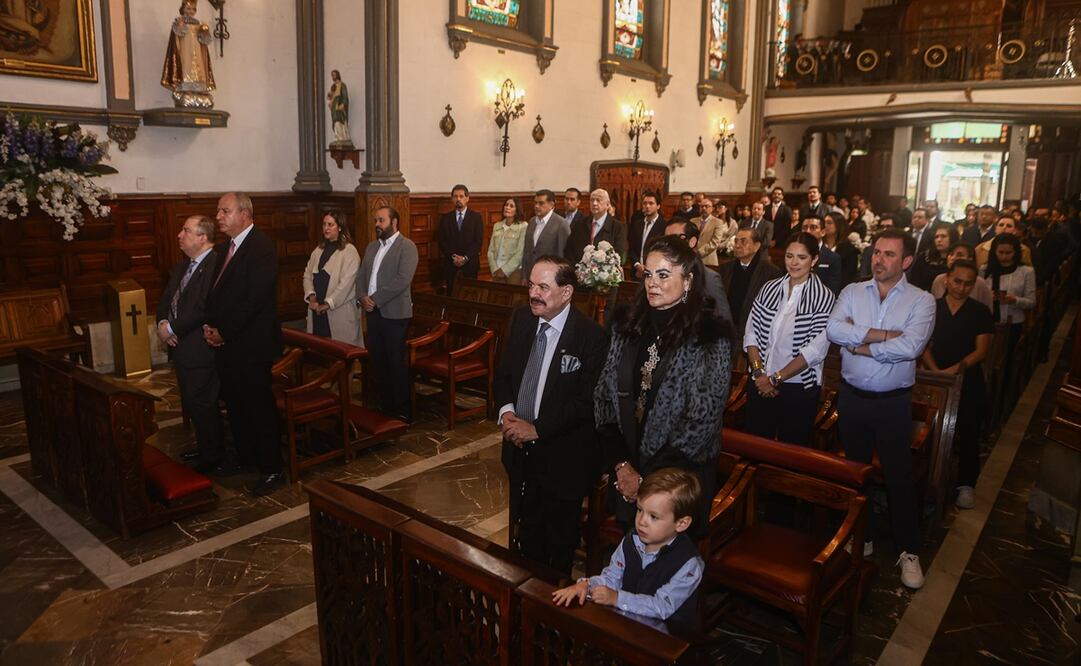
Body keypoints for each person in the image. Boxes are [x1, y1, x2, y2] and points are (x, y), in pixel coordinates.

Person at [594, 237, 732, 532]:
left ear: (689, 280)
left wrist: (647, 477)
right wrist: (622, 466)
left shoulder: (709, 336)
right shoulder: (627, 326)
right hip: (626, 471)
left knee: (668, 570)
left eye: (664, 275)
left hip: (679, 481)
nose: (652, 283)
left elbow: (701, 421)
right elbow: (605, 399)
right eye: (648, 274)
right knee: (628, 561)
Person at [827, 228, 936, 590]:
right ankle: (863, 538)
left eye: (889, 254)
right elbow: (833, 330)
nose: (879, 259)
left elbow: (912, 347)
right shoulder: (853, 291)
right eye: (876, 252)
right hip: (853, 398)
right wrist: (884, 335)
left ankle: (909, 551)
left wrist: (860, 342)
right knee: (854, 474)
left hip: (892, 403)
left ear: (906, 261)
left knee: (898, 477)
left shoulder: (921, 300)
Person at [495, 255, 608, 574]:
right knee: (524, 541)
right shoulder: (521, 320)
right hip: (519, 453)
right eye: (531, 285)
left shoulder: (591, 337)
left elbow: (587, 403)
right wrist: (506, 413)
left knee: (558, 547)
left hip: (563, 459)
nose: (534, 293)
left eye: (544, 287)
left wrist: (537, 429)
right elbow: (503, 374)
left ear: (567, 292)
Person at [551, 467, 704, 629]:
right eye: (639, 510)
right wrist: (587, 585)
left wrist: (617, 598)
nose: (642, 521)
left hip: (668, 639)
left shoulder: (688, 564)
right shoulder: (632, 541)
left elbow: (661, 607)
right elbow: (612, 577)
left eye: (653, 516)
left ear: (682, 523)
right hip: (628, 624)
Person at [203, 193, 283, 496]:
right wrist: (211, 326)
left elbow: (255, 300)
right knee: (235, 404)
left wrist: (225, 330)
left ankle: (272, 468)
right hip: (228, 343)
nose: (219, 216)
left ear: (245, 214)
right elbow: (218, 294)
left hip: (252, 344)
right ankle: (246, 457)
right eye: (218, 211)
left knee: (258, 406)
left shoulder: (261, 247)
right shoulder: (227, 248)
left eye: (225, 211)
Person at [744, 232, 835, 447]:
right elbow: (751, 332)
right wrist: (759, 373)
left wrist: (775, 379)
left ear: (814, 260)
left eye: (802, 257)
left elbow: (814, 351)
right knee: (754, 447)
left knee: (790, 451)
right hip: (759, 380)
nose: (794, 263)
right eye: (789, 256)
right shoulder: (770, 288)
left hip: (797, 387)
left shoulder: (824, 297)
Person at [921, 259, 993, 510]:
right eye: (957, 281)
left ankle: (966, 484)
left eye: (968, 284)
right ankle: (926, 480)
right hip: (934, 377)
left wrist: (953, 371)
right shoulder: (931, 307)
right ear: (946, 280)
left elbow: (981, 350)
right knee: (928, 431)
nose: (961, 288)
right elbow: (922, 343)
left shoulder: (980, 312)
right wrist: (936, 372)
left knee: (968, 431)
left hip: (967, 378)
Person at [158, 215, 222, 473]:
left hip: (199, 347)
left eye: (186, 230)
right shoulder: (184, 266)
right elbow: (167, 299)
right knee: (191, 400)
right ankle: (204, 446)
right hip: (180, 346)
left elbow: (203, 307)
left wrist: (173, 328)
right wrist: (163, 323)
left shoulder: (215, 265)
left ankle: (214, 455)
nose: (179, 235)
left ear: (202, 237)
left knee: (203, 402)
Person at [356, 206, 418, 422]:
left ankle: (402, 409)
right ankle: (386, 405)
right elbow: (362, 275)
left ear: (394, 223)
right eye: (375, 221)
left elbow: (402, 280)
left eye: (381, 221)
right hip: (373, 313)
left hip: (395, 315)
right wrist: (362, 296)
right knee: (379, 361)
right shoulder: (372, 247)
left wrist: (375, 299)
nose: (377, 225)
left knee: (395, 363)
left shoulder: (407, 247)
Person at [302, 211, 361, 346]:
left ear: (340, 227)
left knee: (342, 353)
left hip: (339, 312)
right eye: (324, 224)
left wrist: (327, 304)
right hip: (317, 310)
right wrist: (312, 298)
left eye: (330, 224)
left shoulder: (349, 251)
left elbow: (346, 285)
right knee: (320, 351)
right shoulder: (318, 250)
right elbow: (307, 275)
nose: (326, 228)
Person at [663, 220, 733, 327]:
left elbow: (725, 321)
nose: (668, 245)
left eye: (675, 239)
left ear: (692, 242)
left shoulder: (709, 277)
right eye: (666, 240)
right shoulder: (663, 274)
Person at [719, 228, 783, 339]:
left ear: (757, 246)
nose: (737, 245)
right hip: (725, 330)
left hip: (754, 334)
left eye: (743, 241)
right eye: (736, 241)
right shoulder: (725, 268)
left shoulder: (771, 273)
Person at [983, 233, 1036, 352]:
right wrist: (987, 297)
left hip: (1013, 322)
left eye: (1008, 253)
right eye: (1000, 252)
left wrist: (1015, 300)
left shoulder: (1026, 272)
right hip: (988, 320)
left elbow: (1032, 301)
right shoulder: (985, 270)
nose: (1004, 257)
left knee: (1007, 356)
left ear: (1016, 252)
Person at [161, 0, 215, 108]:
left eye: (193, 9)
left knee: (199, 69)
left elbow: (204, 42)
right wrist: (180, 26)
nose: (191, 11)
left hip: (197, 53)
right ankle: (185, 89)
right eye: (188, 9)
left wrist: (204, 32)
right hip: (185, 52)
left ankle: (199, 89)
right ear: (183, 9)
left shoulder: (199, 25)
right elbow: (176, 38)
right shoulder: (179, 22)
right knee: (186, 68)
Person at [436, 184, 483, 295]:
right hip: (451, 265)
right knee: (452, 296)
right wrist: (454, 257)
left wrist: (465, 258)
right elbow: (442, 242)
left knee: (470, 296)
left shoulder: (476, 217)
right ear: (452, 199)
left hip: (470, 265)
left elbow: (478, 242)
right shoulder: (446, 218)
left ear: (467, 198)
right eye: (455, 196)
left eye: (461, 196)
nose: (458, 199)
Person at [565, 188, 627, 264]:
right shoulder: (580, 224)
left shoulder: (617, 227)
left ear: (607, 205)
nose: (594, 203)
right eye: (592, 200)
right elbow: (570, 249)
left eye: (598, 200)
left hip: (604, 272)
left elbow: (618, 253)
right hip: (579, 271)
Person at [522, 189, 569, 280]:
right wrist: (524, 276)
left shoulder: (561, 224)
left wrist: (559, 278)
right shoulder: (531, 222)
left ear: (551, 205)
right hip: (530, 275)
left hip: (550, 277)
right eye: (535, 203)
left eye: (541, 203)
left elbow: (562, 255)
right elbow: (527, 252)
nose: (536, 206)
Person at [931, 243, 993, 309]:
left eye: (960, 255)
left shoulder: (980, 283)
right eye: (951, 254)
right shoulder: (938, 280)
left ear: (970, 258)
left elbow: (987, 311)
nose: (953, 258)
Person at [909, 222, 958, 291]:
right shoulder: (924, 257)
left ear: (952, 238)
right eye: (936, 237)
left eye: (943, 236)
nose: (939, 240)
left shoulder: (958, 258)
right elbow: (914, 281)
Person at [487, 198, 528, 283]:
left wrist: (504, 270)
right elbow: (490, 251)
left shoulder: (523, 226)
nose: (507, 207)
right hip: (496, 270)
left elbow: (520, 253)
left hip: (514, 271)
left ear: (517, 210)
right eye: (506, 205)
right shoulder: (497, 225)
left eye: (511, 206)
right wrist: (494, 269)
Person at [628, 191, 666, 277]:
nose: (647, 206)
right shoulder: (637, 224)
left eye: (651, 203)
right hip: (637, 272)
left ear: (658, 206)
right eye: (645, 203)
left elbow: (663, 251)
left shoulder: (664, 225)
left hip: (655, 272)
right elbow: (631, 248)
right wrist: (637, 265)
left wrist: (647, 267)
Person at [801, 216, 842, 295]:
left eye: (813, 227)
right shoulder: (792, 254)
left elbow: (833, 290)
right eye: (804, 228)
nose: (808, 231)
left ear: (823, 232)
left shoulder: (832, 258)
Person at [824, 211, 859, 287]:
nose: (825, 225)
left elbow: (849, 277)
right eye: (824, 222)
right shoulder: (818, 246)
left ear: (839, 225)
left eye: (829, 223)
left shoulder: (849, 250)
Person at [693, 198, 726, 267]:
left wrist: (699, 252)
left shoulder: (718, 222)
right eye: (702, 206)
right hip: (693, 259)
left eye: (707, 206)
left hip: (709, 260)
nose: (704, 208)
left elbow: (715, 242)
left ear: (712, 208)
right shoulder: (693, 221)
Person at [327, 69, 352, 146]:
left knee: (339, 121)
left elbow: (345, 96)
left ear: (337, 75)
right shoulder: (333, 86)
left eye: (334, 75)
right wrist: (330, 96)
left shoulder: (342, 85)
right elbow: (331, 97)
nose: (333, 76)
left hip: (339, 106)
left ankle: (342, 138)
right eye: (332, 75)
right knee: (335, 122)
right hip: (334, 107)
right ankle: (338, 137)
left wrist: (343, 104)